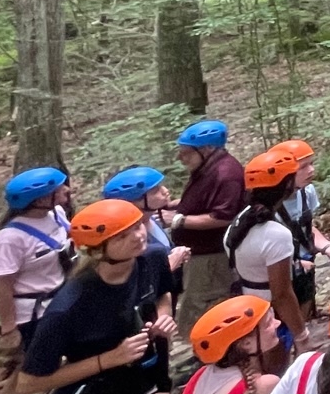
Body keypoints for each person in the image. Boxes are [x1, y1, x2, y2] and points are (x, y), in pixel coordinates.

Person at [18, 200, 179, 394]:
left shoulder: (152, 259)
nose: (137, 236)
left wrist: (163, 318)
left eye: (137, 226)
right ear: (96, 250)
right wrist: (109, 359)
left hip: (145, 380)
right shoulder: (69, 306)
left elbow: (163, 293)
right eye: (122, 235)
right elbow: (29, 382)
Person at [0, 167, 73, 394]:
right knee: (26, 370)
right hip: (30, 315)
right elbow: (2, 286)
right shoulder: (9, 239)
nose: (66, 191)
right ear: (39, 200)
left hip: (60, 301)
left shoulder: (56, 216)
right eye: (58, 189)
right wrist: (9, 329)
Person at [226, 146, 315, 370]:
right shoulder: (275, 233)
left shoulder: (241, 220)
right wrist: (301, 335)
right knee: (275, 373)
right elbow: (282, 293)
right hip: (270, 316)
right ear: (286, 185)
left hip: (248, 304)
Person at [167, 120, 246, 334]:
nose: (180, 158)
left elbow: (222, 216)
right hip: (199, 255)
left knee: (203, 307)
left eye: (186, 153)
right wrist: (174, 204)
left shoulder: (225, 174)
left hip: (211, 257)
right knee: (195, 302)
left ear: (207, 149)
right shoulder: (207, 168)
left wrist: (178, 220)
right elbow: (203, 199)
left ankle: (207, 351)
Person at [280, 139, 330, 321]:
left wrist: (327, 248)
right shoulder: (266, 207)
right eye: (303, 167)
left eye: (312, 164)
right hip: (280, 272)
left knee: (303, 312)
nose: (311, 170)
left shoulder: (307, 192)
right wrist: (294, 264)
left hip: (305, 266)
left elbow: (306, 228)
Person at [102, 168, 193, 275]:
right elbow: (136, 277)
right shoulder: (128, 237)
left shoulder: (152, 219)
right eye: (155, 190)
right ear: (135, 200)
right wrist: (171, 264)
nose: (165, 191)